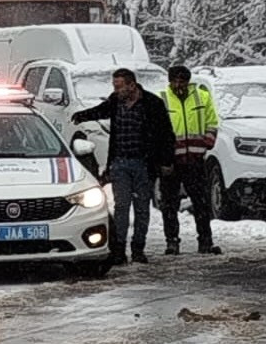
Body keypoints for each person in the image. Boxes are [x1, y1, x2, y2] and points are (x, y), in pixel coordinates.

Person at [71, 67, 175, 265]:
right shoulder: (115, 101)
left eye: (119, 87)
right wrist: (82, 116)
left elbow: (166, 134)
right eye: (114, 86)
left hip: (144, 163)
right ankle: (119, 249)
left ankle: (138, 248)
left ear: (132, 85)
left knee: (142, 207)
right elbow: (101, 110)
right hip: (120, 163)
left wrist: (166, 161)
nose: (116, 90)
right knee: (121, 207)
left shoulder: (152, 103)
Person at [159, 64, 222, 255]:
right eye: (175, 81)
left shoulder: (202, 97)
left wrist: (207, 143)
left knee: (201, 202)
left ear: (188, 81)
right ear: (170, 81)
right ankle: (172, 241)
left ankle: (205, 241)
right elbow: (155, 130)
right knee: (169, 204)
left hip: (195, 160)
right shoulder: (161, 99)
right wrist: (162, 157)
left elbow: (212, 122)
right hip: (171, 161)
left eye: (182, 81)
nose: (179, 85)